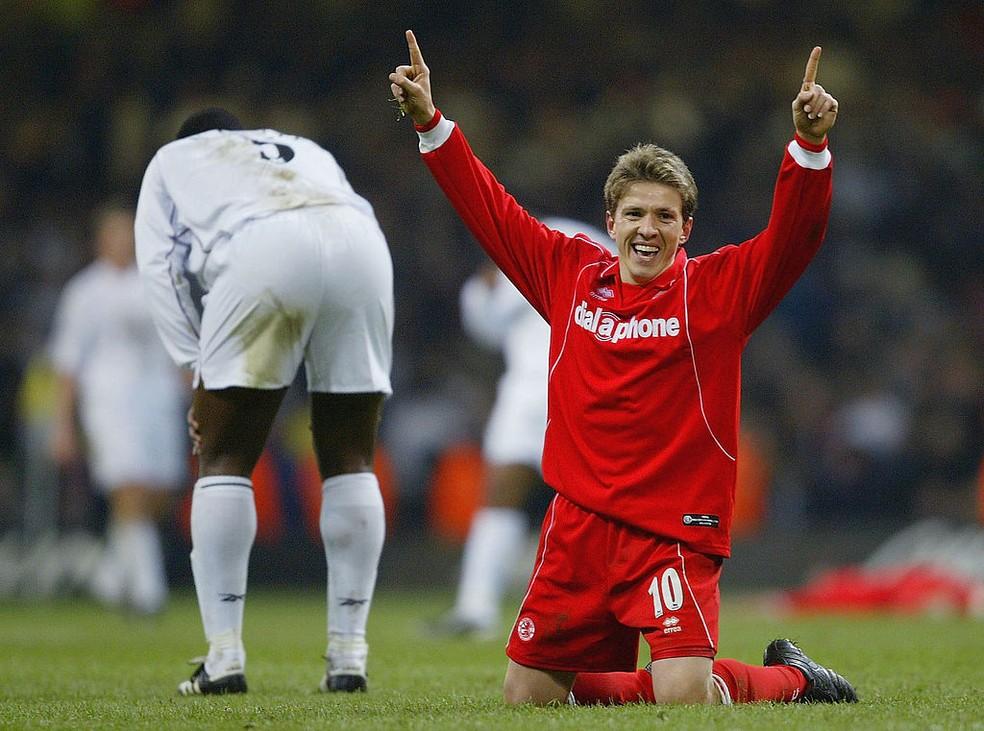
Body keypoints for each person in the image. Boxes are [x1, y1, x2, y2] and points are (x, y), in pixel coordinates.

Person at [390, 32, 856, 706]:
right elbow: (489, 210)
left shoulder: (718, 291)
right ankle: (612, 682)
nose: (648, 228)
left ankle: (794, 678)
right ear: (609, 220)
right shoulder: (568, 272)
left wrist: (810, 147)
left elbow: (795, 237)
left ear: (686, 226)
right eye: (634, 212)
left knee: (685, 699)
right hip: (577, 527)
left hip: (670, 531)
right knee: (527, 699)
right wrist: (432, 123)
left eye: (665, 216)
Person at [134, 109, 393, 695]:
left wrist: (194, 367)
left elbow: (162, 266)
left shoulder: (174, 159)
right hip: (362, 246)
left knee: (224, 458)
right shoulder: (301, 145)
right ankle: (349, 654)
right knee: (350, 456)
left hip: (264, 244)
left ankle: (224, 657)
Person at [435, 217, 609, 639]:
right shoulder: (605, 245)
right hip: (590, 385)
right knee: (596, 499)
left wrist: (486, 287)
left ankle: (477, 608)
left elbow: (483, 325)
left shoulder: (514, 253)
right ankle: (607, 607)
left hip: (537, 387)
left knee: (504, 493)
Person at [49, 204, 188, 615]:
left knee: (160, 492)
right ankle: (148, 591)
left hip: (158, 397)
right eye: (115, 234)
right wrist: (64, 425)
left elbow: (176, 343)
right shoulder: (84, 291)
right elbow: (67, 362)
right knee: (128, 484)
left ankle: (110, 573)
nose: (124, 241)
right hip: (109, 398)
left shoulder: (155, 283)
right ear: (100, 240)